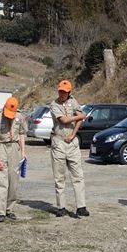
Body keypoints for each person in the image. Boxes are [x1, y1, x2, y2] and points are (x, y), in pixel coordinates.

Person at [49, 79, 87, 217]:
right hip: (59, 142)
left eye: (64, 92)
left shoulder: (74, 102)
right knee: (59, 177)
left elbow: (79, 119)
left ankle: (81, 206)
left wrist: (73, 133)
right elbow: (64, 120)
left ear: (69, 92)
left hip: (72, 143)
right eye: (60, 91)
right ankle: (61, 207)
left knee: (78, 176)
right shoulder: (54, 105)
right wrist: (80, 115)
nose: (62, 94)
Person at [0, 97, 27, 223]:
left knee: (14, 180)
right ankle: (1, 212)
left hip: (15, 148)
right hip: (1, 147)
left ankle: (9, 209)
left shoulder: (20, 117)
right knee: (2, 180)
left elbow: (22, 133)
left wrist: (23, 152)